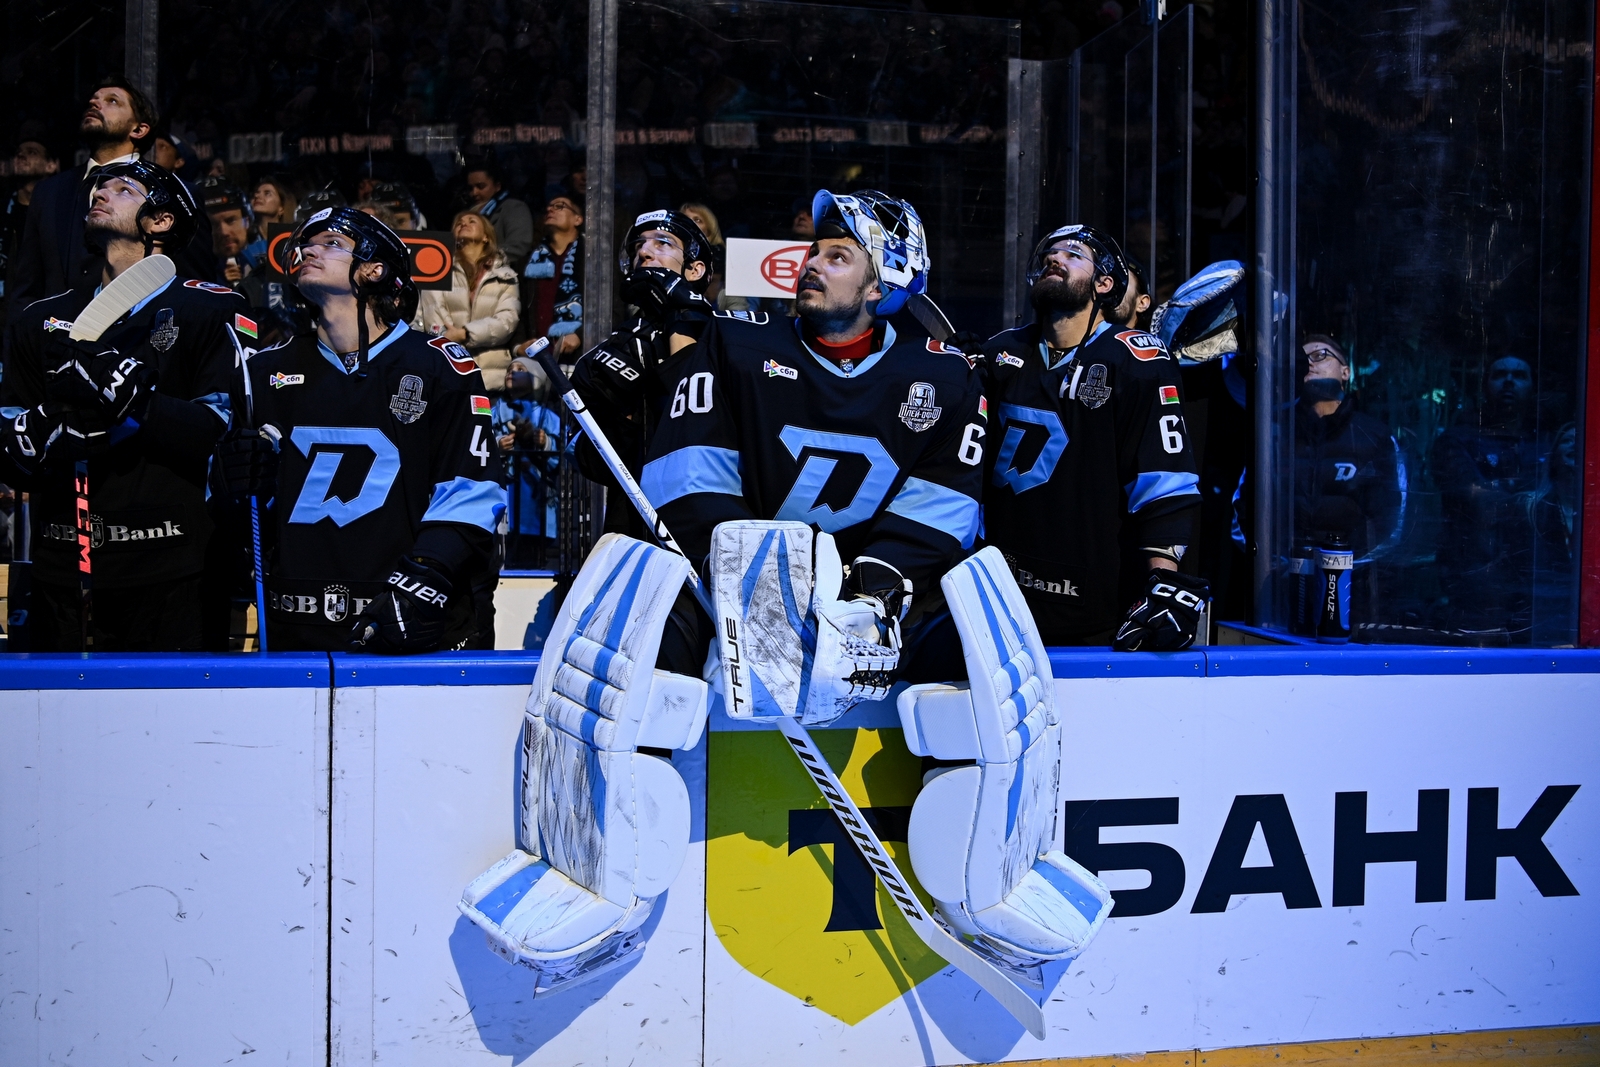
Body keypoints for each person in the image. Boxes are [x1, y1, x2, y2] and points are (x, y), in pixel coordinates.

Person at [640, 189, 984, 678]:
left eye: (837, 257)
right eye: (813, 253)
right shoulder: (736, 345)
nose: (811, 265)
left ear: (877, 286)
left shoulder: (944, 378)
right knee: (657, 632)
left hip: (869, 607)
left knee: (963, 642)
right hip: (733, 597)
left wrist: (875, 590)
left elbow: (943, 504)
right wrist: (756, 578)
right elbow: (688, 476)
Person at [214, 207, 506, 652]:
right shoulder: (262, 373)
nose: (309, 251)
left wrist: (424, 578)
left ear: (374, 269)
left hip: (408, 620)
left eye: (331, 243)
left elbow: (472, 491)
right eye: (306, 245)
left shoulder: (440, 365)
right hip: (297, 620)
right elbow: (248, 516)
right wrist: (234, 483)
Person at [0, 161, 241, 650]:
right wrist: (45, 431)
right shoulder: (39, 319)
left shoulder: (212, 308)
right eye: (99, 186)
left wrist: (135, 404)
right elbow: (11, 439)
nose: (101, 193)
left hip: (173, 570)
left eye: (124, 188)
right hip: (61, 569)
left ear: (161, 220)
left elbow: (221, 433)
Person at [977, 224, 1205, 649]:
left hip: (1097, 613)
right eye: (1051, 252)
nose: (1055, 257)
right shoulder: (999, 354)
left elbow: (1164, 481)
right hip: (1000, 602)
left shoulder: (1136, 359)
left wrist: (1163, 584)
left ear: (1103, 283)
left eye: (1073, 254)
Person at [567, 208, 714, 543]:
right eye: (638, 246)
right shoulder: (608, 353)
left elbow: (699, 425)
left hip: (704, 523)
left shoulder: (726, 337)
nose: (644, 252)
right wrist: (622, 417)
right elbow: (589, 462)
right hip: (634, 525)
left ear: (694, 269)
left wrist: (684, 316)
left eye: (662, 243)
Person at [9, 78, 156, 315]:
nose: (95, 103)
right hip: (55, 336)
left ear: (139, 129)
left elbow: (193, 294)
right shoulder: (48, 192)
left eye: (112, 101)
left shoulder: (170, 193)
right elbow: (26, 288)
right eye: (93, 100)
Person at [1431, 354, 1544, 639]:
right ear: (1484, 385)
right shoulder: (1456, 440)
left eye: (1519, 376)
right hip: (1473, 575)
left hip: (1535, 578)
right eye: (1500, 374)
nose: (1509, 381)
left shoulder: (1543, 442)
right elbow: (1480, 502)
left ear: (1533, 387)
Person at [413, 211, 521, 390]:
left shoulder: (505, 275)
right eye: (458, 223)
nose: (464, 224)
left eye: (472, 221)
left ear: (486, 237)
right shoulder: (438, 270)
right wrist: (447, 338)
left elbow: (507, 320)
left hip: (492, 378)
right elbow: (430, 312)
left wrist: (464, 333)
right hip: (446, 371)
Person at [513, 191, 584, 366]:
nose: (550, 209)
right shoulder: (529, 261)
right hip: (537, 359)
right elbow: (519, 308)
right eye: (549, 207)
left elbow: (611, 309)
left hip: (578, 357)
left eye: (560, 206)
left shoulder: (592, 258)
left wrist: (581, 335)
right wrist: (519, 346)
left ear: (577, 219)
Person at [465, 162, 534, 271]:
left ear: (497, 186)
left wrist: (481, 259)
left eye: (481, 186)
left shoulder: (513, 207)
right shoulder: (467, 213)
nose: (474, 193)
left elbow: (518, 247)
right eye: (470, 188)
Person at [195, 176, 253, 287]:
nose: (223, 232)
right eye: (212, 224)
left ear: (247, 221)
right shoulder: (190, 276)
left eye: (231, 220)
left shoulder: (271, 261)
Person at [245, 176, 298, 266]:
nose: (257, 196)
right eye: (256, 193)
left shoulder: (293, 241)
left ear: (281, 208)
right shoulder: (245, 239)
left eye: (267, 193)